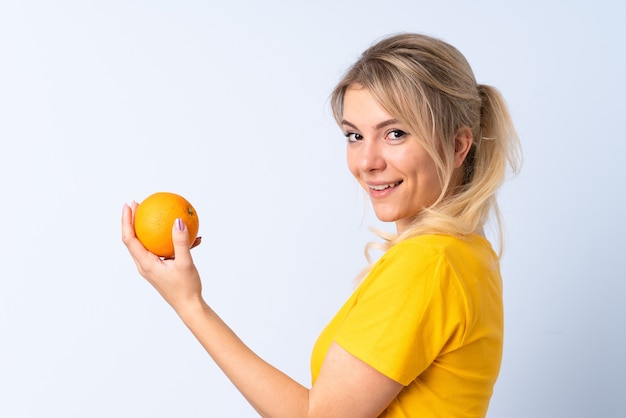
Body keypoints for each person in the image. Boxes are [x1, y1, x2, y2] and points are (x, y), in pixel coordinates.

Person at [122, 32, 521, 417]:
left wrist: (189, 304)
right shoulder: (466, 252)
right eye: (354, 135)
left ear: (457, 146)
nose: (367, 162)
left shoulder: (431, 264)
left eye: (394, 134)